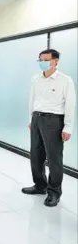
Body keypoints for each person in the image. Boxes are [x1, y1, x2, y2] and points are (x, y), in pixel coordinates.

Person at [22, 49, 76, 207]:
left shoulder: (65, 80)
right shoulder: (35, 79)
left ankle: (54, 192)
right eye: (40, 60)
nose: (42, 63)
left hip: (54, 121)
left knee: (54, 159)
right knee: (36, 155)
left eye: (46, 60)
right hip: (37, 118)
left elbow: (70, 105)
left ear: (56, 61)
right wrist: (30, 119)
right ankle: (40, 185)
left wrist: (68, 127)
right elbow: (32, 100)